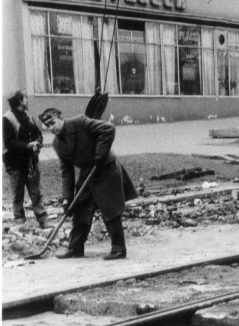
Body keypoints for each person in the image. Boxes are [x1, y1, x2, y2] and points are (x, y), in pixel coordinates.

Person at [39, 108, 138, 260]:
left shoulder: (79, 122)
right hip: (87, 173)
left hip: (105, 167)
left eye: (53, 123)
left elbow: (108, 128)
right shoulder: (57, 143)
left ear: (61, 118)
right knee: (79, 208)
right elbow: (67, 172)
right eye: (48, 126)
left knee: (109, 208)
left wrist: (100, 153)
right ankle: (75, 248)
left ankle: (119, 249)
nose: (52, 128)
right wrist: (67, 198)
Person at [3, 90, 48, 228]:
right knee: (18, 194)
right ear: (20, 102)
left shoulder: (28, 115)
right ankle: (19, 221)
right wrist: (28, 146)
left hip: (30, 162)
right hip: (14, 163)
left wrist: (38, 142)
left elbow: (38, 133)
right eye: (24, 98)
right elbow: (9, 142)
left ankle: (43, 220)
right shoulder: (7, 119)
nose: (27, 100)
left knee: (36, 192)